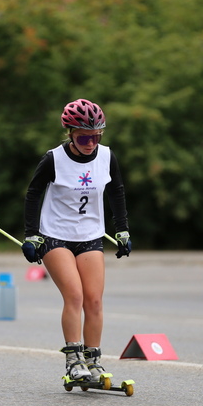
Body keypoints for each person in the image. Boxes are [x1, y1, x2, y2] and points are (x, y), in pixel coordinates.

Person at [22, 98, 131, 383]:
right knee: (75, 296)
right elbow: (33, 195)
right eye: (84, 136)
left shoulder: (107, 156)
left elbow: (116, 192)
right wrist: (31, 235)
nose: (91, 142)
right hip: (55, 235)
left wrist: (123, 230)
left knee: (94, 300)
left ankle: (93, 361)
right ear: (70, 133)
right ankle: (73, 361)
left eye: (96, 136)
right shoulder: (53, 159)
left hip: (90, 236)